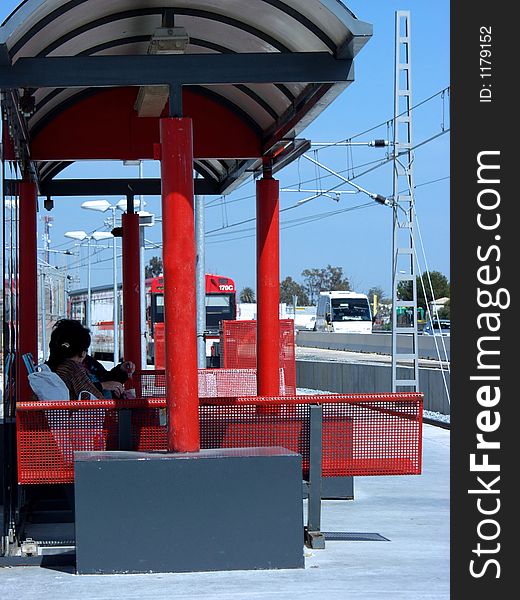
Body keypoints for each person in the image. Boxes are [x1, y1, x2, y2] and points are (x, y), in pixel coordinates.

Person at [47, 319, 135, 400]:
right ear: (82, 352)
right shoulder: (72, 369)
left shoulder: (51, 369)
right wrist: (102, 386)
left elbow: (104, 377)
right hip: (89, 415)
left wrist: (121, 371)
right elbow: (87, 394)